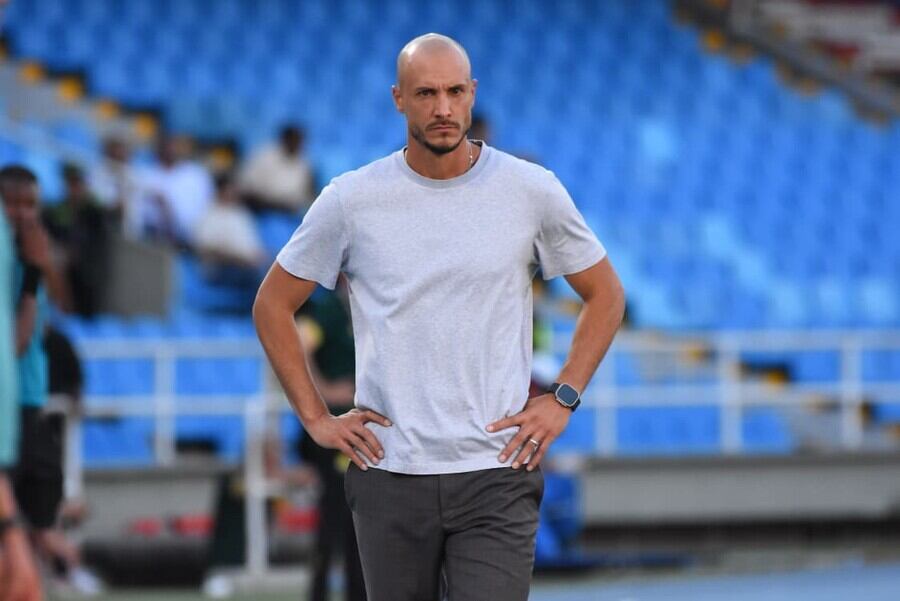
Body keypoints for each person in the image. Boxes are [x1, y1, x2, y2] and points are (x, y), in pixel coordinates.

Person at [253, 34, 625, 601]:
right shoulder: (351, 200)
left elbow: (606, 294)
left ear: (473, 94)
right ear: (399, 98)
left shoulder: (529, 190)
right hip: (389, 474)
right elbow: (272, 305)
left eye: (455, 91)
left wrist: (563, 398)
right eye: (426, 93)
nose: (443, 108)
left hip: (498, 472)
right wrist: (316, 418)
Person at [295, 277, 366, 601]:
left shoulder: (367, 310)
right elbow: (298, 344)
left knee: (358, 520)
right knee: (334, 514)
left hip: (361, 427)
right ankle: (319, 591)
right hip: (336, 428)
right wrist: (322, 392)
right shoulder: (328, 312)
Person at [0, 168, 43, 601]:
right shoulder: (16, 264)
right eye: (13, 203)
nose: (23, 214)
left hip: (23, 407)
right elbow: (17, 341)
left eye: (31, 204)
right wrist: (32, 273)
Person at [43, 164, 112, 317]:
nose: (75, 188)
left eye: (78, 183)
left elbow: (99, 246)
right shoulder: (55, 210)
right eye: (71, 183)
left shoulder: (95, 213)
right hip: (61, 269)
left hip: (87, 276)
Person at [138, 134, 213, 246]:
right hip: (152, 237)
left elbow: (206, 210)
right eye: (168, 144)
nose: (171, 149)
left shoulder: (197, 174)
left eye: (175, 145)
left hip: (190, 242)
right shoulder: (146, 175)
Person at [194, 172, 266, 287]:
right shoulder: (209, 214)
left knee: (273, 267)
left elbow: (254, 247)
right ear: (220, 191)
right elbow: (207, 250)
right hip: (223, 269)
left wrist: (261, 258)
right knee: (264, 277)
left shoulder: (241, 214)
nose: (233, 193)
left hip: (247, 267)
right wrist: (240, 260)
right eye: (229, 189)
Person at [239, 125, 316, 214]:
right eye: (293, 141)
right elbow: (246, 187)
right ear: (284, 140)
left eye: (298, 142)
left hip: (290, 213)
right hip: (260, 209)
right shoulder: (264, 156)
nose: (296, 145)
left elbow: (308, 195)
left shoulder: (305, 163)